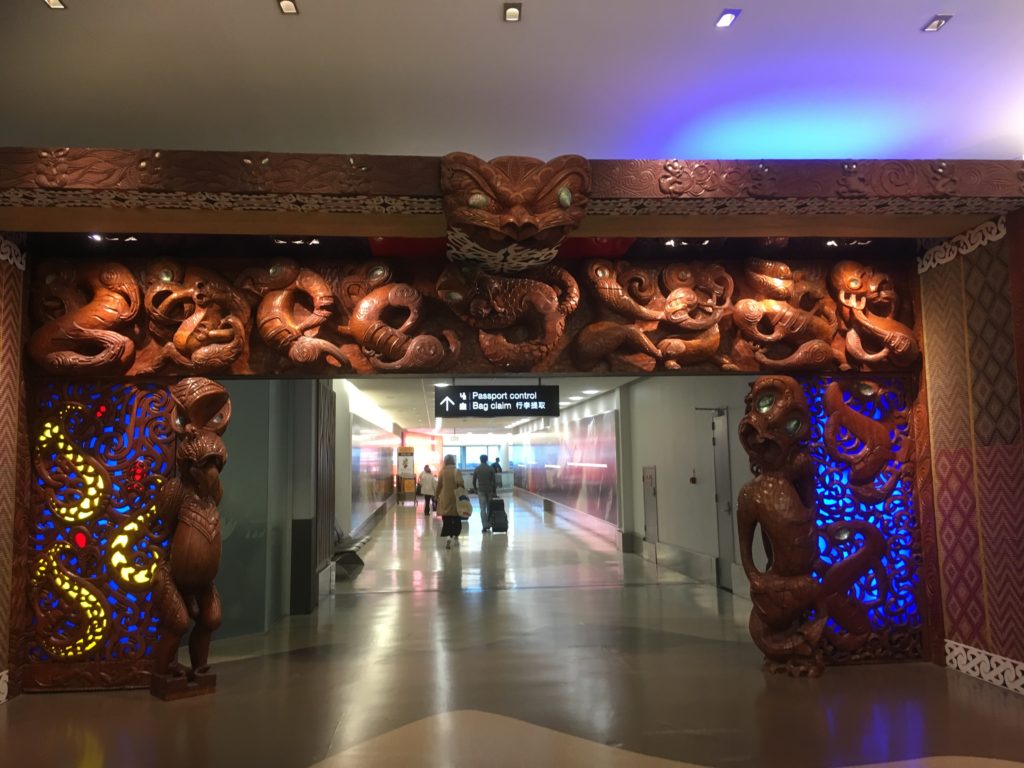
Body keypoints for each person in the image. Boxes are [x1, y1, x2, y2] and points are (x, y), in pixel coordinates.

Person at [435, 454, 466, 549]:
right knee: (456, 517)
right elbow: (461, 484)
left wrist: (436, 495)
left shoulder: (442, 472)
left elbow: (439, 485)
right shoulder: (457, 471)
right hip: (456, 497)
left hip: (445, 497)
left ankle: (448, 536)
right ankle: (455, 534)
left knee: (446, 518)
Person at [472, 453, 498, 533]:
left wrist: (475, 489)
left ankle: (484, 526)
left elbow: (473, 481)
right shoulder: (491, 469)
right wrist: (494, 491)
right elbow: (494, 481)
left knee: (482, 509)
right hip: (489, 490)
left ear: (480, 460)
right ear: (487, 460)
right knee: (489, 507)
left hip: (481, 490)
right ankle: (489, 524)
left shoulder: (477, 469)